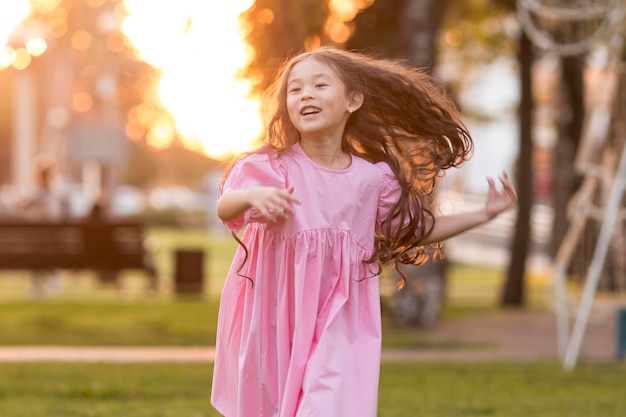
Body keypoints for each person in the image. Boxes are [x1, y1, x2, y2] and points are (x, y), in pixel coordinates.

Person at [211, 46, 517, 417]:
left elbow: (416, 229)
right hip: (277, 317)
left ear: (352, 100)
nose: (305, 94)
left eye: (320, 85)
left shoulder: (371, 180)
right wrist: (253, 196)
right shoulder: (272, 168)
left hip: (342, 319)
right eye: (295, 89)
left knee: (325, 406)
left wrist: (484, 213)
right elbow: (226, 206)